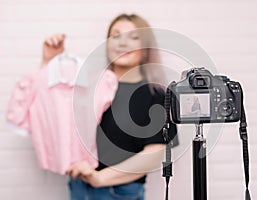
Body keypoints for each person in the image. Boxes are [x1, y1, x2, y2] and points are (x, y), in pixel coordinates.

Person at [42, 14, 177, 200]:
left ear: (145, 48)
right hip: (78, 187)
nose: (122, 43)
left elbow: (154, 153)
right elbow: (50, 111)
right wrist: (50, 63)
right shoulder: (86, 86)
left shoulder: (156, 95)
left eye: (133, 37)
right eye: (116, 36)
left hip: (121, 193)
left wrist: (99, 178)